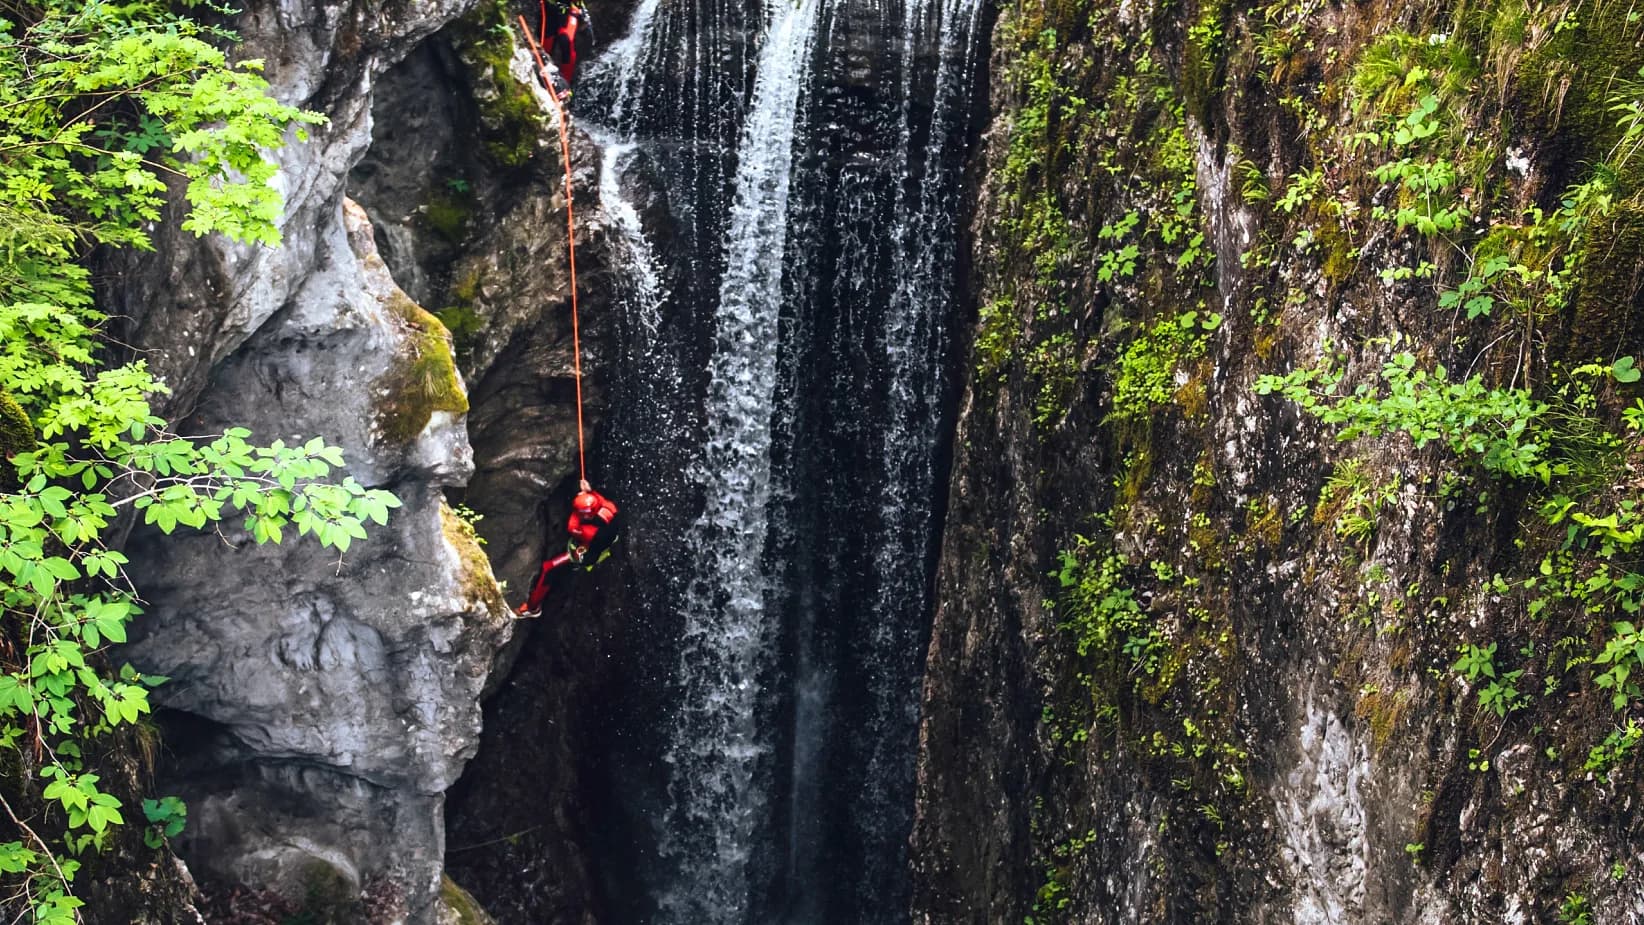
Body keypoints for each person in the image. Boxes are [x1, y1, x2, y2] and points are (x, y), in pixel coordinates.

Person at [515, 480, 622, 616]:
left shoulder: (589, 532)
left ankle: (532, 608)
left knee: (549, 567)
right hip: (605, 539)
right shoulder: (609, 507)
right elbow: (598, 500)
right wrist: (589, 493)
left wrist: (579, 510)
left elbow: (572, 526)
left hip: (587, 552)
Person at [548, 5, 594, 87]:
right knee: (551, 37)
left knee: (566, 41)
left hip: (569, 10)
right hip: (552, 8)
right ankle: (545, 61)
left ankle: (565, 83)